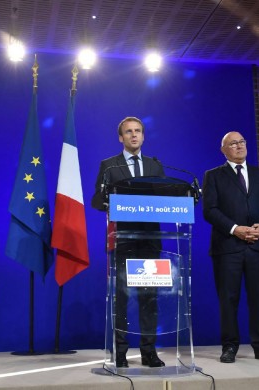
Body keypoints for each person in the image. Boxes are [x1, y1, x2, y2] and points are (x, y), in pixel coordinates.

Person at [91, 116, 165, 368]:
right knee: (122, 299)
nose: (134, 135)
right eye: (128, 132)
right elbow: (97, 200)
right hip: (123, 241)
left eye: (138, 131)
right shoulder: (109, 166)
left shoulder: (156, 166)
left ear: (143, 136)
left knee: (149, 299)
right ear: (121, 137)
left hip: (150, 241)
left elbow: (165, 201)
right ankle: (120, 352)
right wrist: (115, 204)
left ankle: (149, 352)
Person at [202, 131, 259, 363]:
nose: (239, 146)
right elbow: (210, 210)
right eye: (233, 143)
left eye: (242, 142)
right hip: (228, 247)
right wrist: (235, 228)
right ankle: (229, 346)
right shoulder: (213, 176)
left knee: (258, 297)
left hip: (258, 246)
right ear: (223, 149)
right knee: (228, 299)